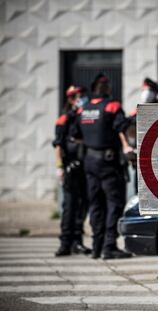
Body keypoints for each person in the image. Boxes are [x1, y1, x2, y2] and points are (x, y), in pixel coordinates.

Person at [73, 74, 132, 259]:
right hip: (108, 162)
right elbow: (122, 127)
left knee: (96, 205)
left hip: (89, 162)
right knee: (114, 204)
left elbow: (75, 135)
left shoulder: (83, 109)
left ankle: (96, 247)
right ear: (106, 88)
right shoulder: (112, 106)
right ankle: (109, 247)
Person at [53, 86, 91, 256]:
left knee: (82, 206)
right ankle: (65, 243)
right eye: (78, 96)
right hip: (70, 168)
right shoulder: (64, 119)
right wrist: (59, 167)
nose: (81, 98)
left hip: (84, 167)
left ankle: (77, 242)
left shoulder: (85, 117)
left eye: (83, 95)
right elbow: (58, 145)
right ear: (70, 99)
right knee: (69, 207)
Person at [127, 78, 158, 193]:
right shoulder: (138, 110)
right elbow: (127, 126)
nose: (145, 93)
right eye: (144, 90)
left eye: (148, 90)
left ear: (155, 92)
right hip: (142, 157)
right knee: (140, 189)